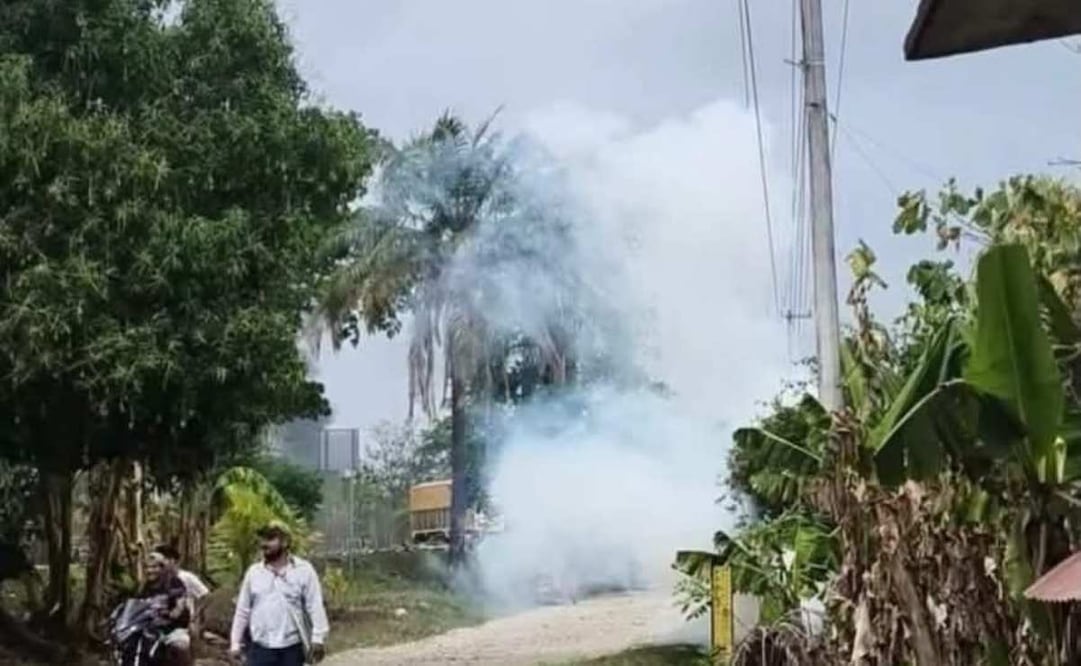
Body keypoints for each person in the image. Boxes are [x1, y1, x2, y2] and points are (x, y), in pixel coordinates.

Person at [229, 521, 328, 666]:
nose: (264, 544)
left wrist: (318, 638)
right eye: (262, 539)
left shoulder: (303, 570)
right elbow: (242, 611)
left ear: (285, 542)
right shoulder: (254, 573)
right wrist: (235, 645)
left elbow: (315, 605)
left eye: (270, 539)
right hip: (260, 649)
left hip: (292, 650)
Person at [152, 545, 211, 653]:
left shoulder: (186, 577)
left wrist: (196, 616)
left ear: (172, 561)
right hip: (160, 624)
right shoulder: (155, 580)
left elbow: (205, 595)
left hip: (183, 624)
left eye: (163, 559)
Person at [142, 551, 193, 666]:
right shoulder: (144, 587)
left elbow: (180, 603)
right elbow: (135, 605)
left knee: (181, 646)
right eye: (147, 567)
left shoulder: (174, 583)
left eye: (154, 567)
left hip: (171, 629)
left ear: (162, 567)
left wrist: (172, 614)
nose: (150, 570)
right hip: (148, 630)